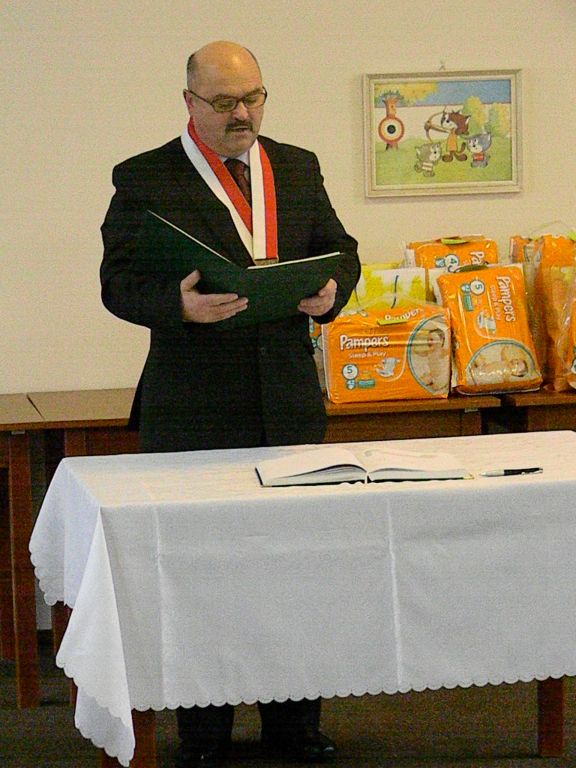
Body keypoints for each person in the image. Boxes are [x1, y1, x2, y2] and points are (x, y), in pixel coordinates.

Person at [100, 40, 360, 768]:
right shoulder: (144, 177)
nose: (241, 114)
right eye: (223, 102)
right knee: (202, 574)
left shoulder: (297, 166)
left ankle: (294, 726)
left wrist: (333, 291)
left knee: (296, 571)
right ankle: (204, 735)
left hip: (286, 401)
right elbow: (117, 283)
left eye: (252, 98)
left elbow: (341, 250)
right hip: (194, 406)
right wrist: (176, 305)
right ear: (189, 102)